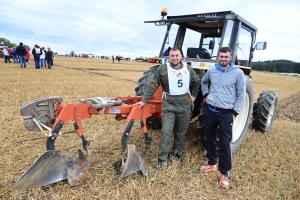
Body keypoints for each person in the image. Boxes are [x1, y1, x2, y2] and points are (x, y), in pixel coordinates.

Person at [135, 47, 200, 168]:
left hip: (184, 105)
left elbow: (196, 82)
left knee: (180, 132)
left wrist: (194, 96)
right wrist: (144, 101)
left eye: (177, 55)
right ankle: (163, 157)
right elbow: (153, 85)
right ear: (169, 57)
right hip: (169, 105)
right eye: (172, 56)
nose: (174, 58)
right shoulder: (163, 69)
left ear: (181, 56)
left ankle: (177, 153)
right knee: (166, 131)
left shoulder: (188, 69)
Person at [200, 46, 246, 189]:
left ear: (230, 58)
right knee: (210, 138)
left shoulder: (238, 73)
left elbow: (241, 95)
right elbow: (203, 82)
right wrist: (206, 95)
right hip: (211, 110)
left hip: (227, 113)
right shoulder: (212, 71)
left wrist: (235, 113)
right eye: (221, 56)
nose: (223, 59)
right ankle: (212, 163)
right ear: (218, 57)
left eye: (226, 57)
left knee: (225, 143)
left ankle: (224, 172)